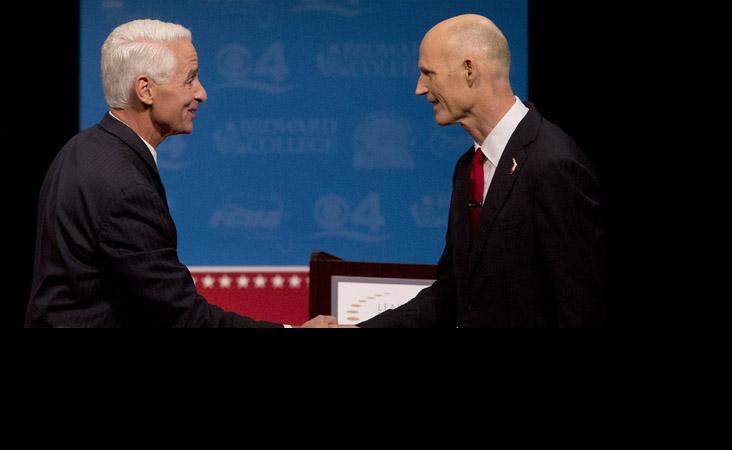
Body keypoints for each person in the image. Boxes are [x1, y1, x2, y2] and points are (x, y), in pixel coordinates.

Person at [24, 19, 335, 328]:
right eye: (190, 80)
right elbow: (181, 317)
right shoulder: (125, 187)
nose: (201, 93)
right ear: (145, 90)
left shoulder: (82, 148)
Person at [358, 14, 606, 328]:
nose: (420, 89)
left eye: (428, 73)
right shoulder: (468, 169)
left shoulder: (552, 164)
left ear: (469, 70)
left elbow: (583, 309)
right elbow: (453, 295)